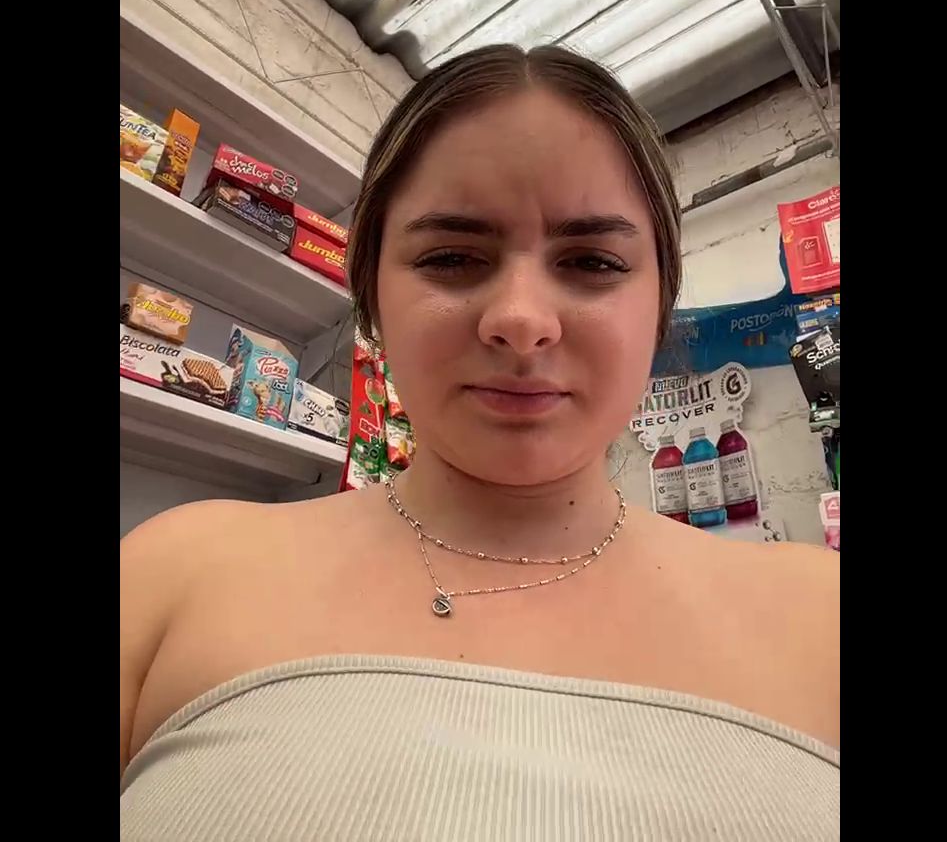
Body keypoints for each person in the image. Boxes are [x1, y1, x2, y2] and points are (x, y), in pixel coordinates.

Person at [120, 45, 839, 840]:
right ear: (371, 297)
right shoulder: (166, 579)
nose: (521, 319)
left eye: (592, 261)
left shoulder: (822, 617)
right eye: (453, 258)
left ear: (659, 304)